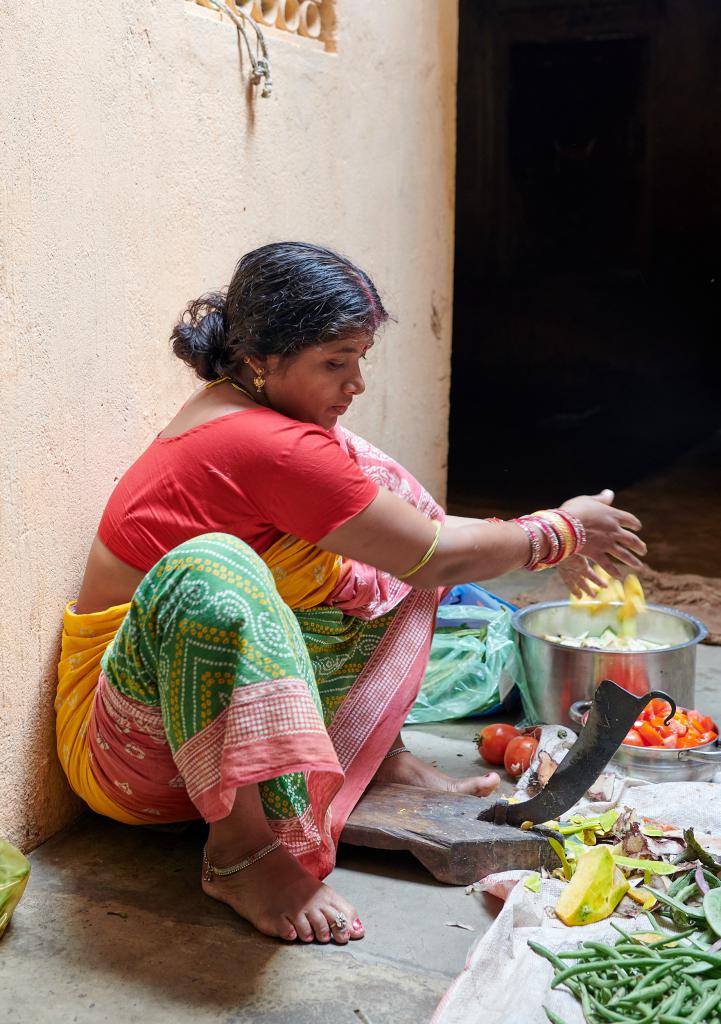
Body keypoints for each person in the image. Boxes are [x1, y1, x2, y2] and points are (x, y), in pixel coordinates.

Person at [56, 241, 645, 946]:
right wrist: (557, 531)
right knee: (211, 572)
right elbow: (429, 555)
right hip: (127, 753)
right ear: (256, 360)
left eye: (359, 358)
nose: (355, 382)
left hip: (187, 731)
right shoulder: (265, 445)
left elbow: (413, 538)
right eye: (335, 362)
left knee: (379, 497)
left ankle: (364, 752)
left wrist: (545, 534)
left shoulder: (257, 415)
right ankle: (243, 850)